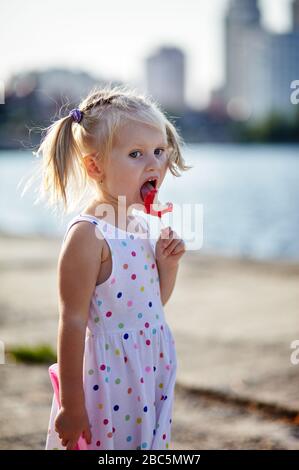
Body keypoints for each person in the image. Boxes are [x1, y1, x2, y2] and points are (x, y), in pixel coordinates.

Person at [36, 84, 191, 450]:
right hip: (107, 383)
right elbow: (72, 322)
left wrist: (167, 267)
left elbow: (150, 308)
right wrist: (72, 405)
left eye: (158, 152)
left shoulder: (142, 228)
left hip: (147, 373)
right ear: (95, 166)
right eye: (136, 154)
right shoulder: (89, 236)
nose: (153, 163)